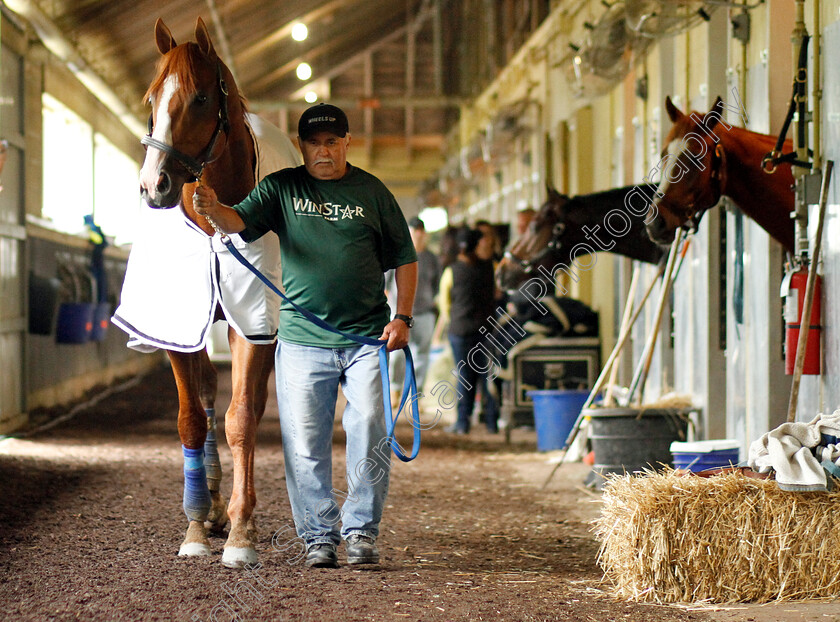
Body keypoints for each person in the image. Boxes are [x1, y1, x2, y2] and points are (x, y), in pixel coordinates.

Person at [193, 103, 418, 569]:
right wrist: (215, 209)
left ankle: (360, 531)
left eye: (333, 141)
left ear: (347, 143)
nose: (324, 151)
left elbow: (404, 257)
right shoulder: (282, 188)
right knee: (304, 441)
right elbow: (239, 222)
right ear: (301, 146)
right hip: (300, 340)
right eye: (315, 143)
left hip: (366, 339)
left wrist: (404, 317)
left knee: (372, 427)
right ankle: (318, 535)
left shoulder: (372, 191)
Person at [434, 227, 499, 434]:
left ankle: (463, 422)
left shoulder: (452, 271)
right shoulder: (489, 267)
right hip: (486, 329)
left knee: (464, 376)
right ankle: (491, 422)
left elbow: (444, 303)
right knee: (486, 375)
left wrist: (453, 318)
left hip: (460, 330)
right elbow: (497, 294)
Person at [386, 216, 440, 401]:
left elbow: (436, 284)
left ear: (424, 234)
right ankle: (395, 388)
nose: (417, 235)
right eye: (414, 231)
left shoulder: (432, 258)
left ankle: (415, 394)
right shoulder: (398, 255)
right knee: (396, 355)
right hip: (399, 314)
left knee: (421, 356)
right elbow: (386, 285)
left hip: (424, 313)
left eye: (420, 232)